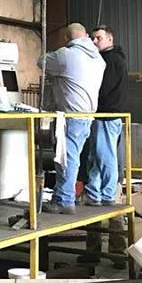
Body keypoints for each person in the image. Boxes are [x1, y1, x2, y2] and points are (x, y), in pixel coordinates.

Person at [38, 23, 105, 213]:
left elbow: (41, 61)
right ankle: (62, 196)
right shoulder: (98, 59)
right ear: (86, 36)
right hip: (87, 116)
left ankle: (64, 200)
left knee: (67, 158)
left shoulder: (66, 55)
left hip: (71, 116)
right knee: (73, 156)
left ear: (66, 39)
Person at [88, 25, 129, 204]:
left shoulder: (110, 60)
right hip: (107, 114)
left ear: (110, 39)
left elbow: (103, 88)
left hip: (107, 114)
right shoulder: (112, 58)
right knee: (98, 156)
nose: (94, 41)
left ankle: (107, 195)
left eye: (99, 38)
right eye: (93, 38)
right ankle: (94, 193)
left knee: (105, 156)